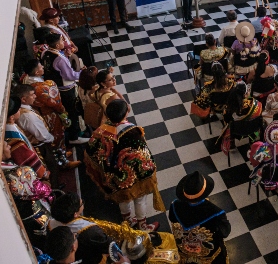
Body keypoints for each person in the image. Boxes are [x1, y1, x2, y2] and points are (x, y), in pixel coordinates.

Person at [84, 100, 164, 231]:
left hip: (113, 176)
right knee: (139, 200)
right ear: (126, 112)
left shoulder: (101, 130)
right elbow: (143, 155)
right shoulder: (132, 132)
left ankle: (127, 221)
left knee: (122, 199)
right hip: (132, 176)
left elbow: (91, 151)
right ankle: (142, 226)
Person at [49, 192, 130, 264]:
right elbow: (109, 246)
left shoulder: (53, 227)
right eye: (81, 203)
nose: (74, 235)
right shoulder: (91, 232)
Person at [170, 171, 231, 264]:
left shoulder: (175, 205)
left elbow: (172, 219)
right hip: (208, 254)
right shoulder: (216, 212)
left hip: (183, 249)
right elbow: (225, 232)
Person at [41, 33, 86, 145]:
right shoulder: (60, 59)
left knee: (67, 111)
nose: (64, 43)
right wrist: (83, 73)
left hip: (56, 87)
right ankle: (74, 137)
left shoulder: (45, 52)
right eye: (61, 41)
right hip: (66, 89)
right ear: (57, 45)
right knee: (73, 111)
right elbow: (69, 75)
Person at [5, 97, 50, 179]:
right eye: (18, 110)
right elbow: (27, 158)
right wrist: (42, 173)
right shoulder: (14, 137)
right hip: (32, 173)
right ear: (12, 117)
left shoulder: (10, 127)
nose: (20, 110)